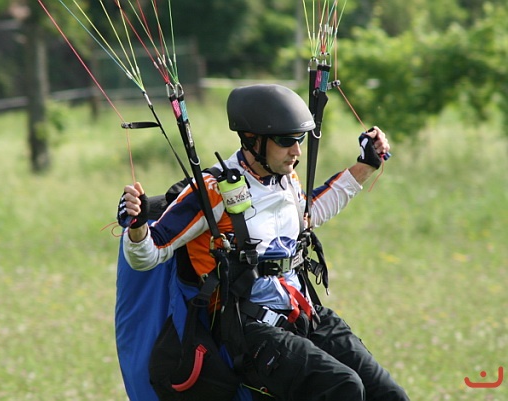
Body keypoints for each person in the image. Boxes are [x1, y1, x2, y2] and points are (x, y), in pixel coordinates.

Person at [118, 84, 410, 401]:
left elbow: (309, 213)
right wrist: (137, 226)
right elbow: (149, 252)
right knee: (342, 387)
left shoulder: (285, 179)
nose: (296, 151)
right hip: (248, 328)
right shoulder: (213, 189)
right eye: (286, 141)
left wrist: (366, 164)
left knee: (388, 393)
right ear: (252, 139)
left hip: (303, 314)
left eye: (299, 140)